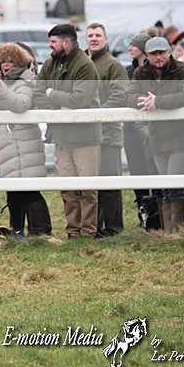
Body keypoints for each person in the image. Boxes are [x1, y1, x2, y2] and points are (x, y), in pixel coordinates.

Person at [0, 43, 52, 235]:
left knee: (30, 191)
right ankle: (16, 230)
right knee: (12, 191)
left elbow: (20, 104)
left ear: (20, 62)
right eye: (3, 61)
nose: (7, 65)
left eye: (11, 61)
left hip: (24, 145)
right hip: (5, 146)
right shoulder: (0, 82)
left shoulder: (26, 80)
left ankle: (41, 232)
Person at [34, 24, 102, 239]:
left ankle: (88, 231)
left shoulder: (85, 65)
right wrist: (58, 107)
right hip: (61, 136)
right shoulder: (49, 64)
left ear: (66, 42)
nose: (49, 45)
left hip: (85, 136)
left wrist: (51, 93)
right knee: (67, 188)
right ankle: (73, 231)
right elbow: (37, 93)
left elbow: (79, 99)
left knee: (88, 189)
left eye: (53, 41)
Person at [127, 37, 184, 233]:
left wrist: (159, 102)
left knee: (175, 187)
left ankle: (178, 232)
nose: (158, 57)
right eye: (154, 54)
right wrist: (147, 101)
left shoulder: (183, 70)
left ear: (169, 52)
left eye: (162, 52)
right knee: (164, 188)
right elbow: (128, 96)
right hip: (157, 138)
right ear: (147, 56)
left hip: (182, 138)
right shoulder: (140, 73)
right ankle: (168, 232)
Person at [85, 23, 128, 237]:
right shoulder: (82, 64)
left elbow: (119, 95)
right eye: (90, 35)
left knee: (110, 183)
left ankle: (113, 228)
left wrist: (96, 115)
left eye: (98, 35)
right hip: (87, 135)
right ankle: (95, 226)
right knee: (92, 184)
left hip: (108, 133)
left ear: (106, 39)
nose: (94, 38)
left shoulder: (113, 65)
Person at [123, 33, 159, 205]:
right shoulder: (127, 72)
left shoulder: (156, 71)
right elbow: (126, 96)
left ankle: (158, 211)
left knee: (154, 169)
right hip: (131, 130)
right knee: (136, 170)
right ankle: (143, 210)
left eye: (134, 45)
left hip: (153, 128)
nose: (130, 48)